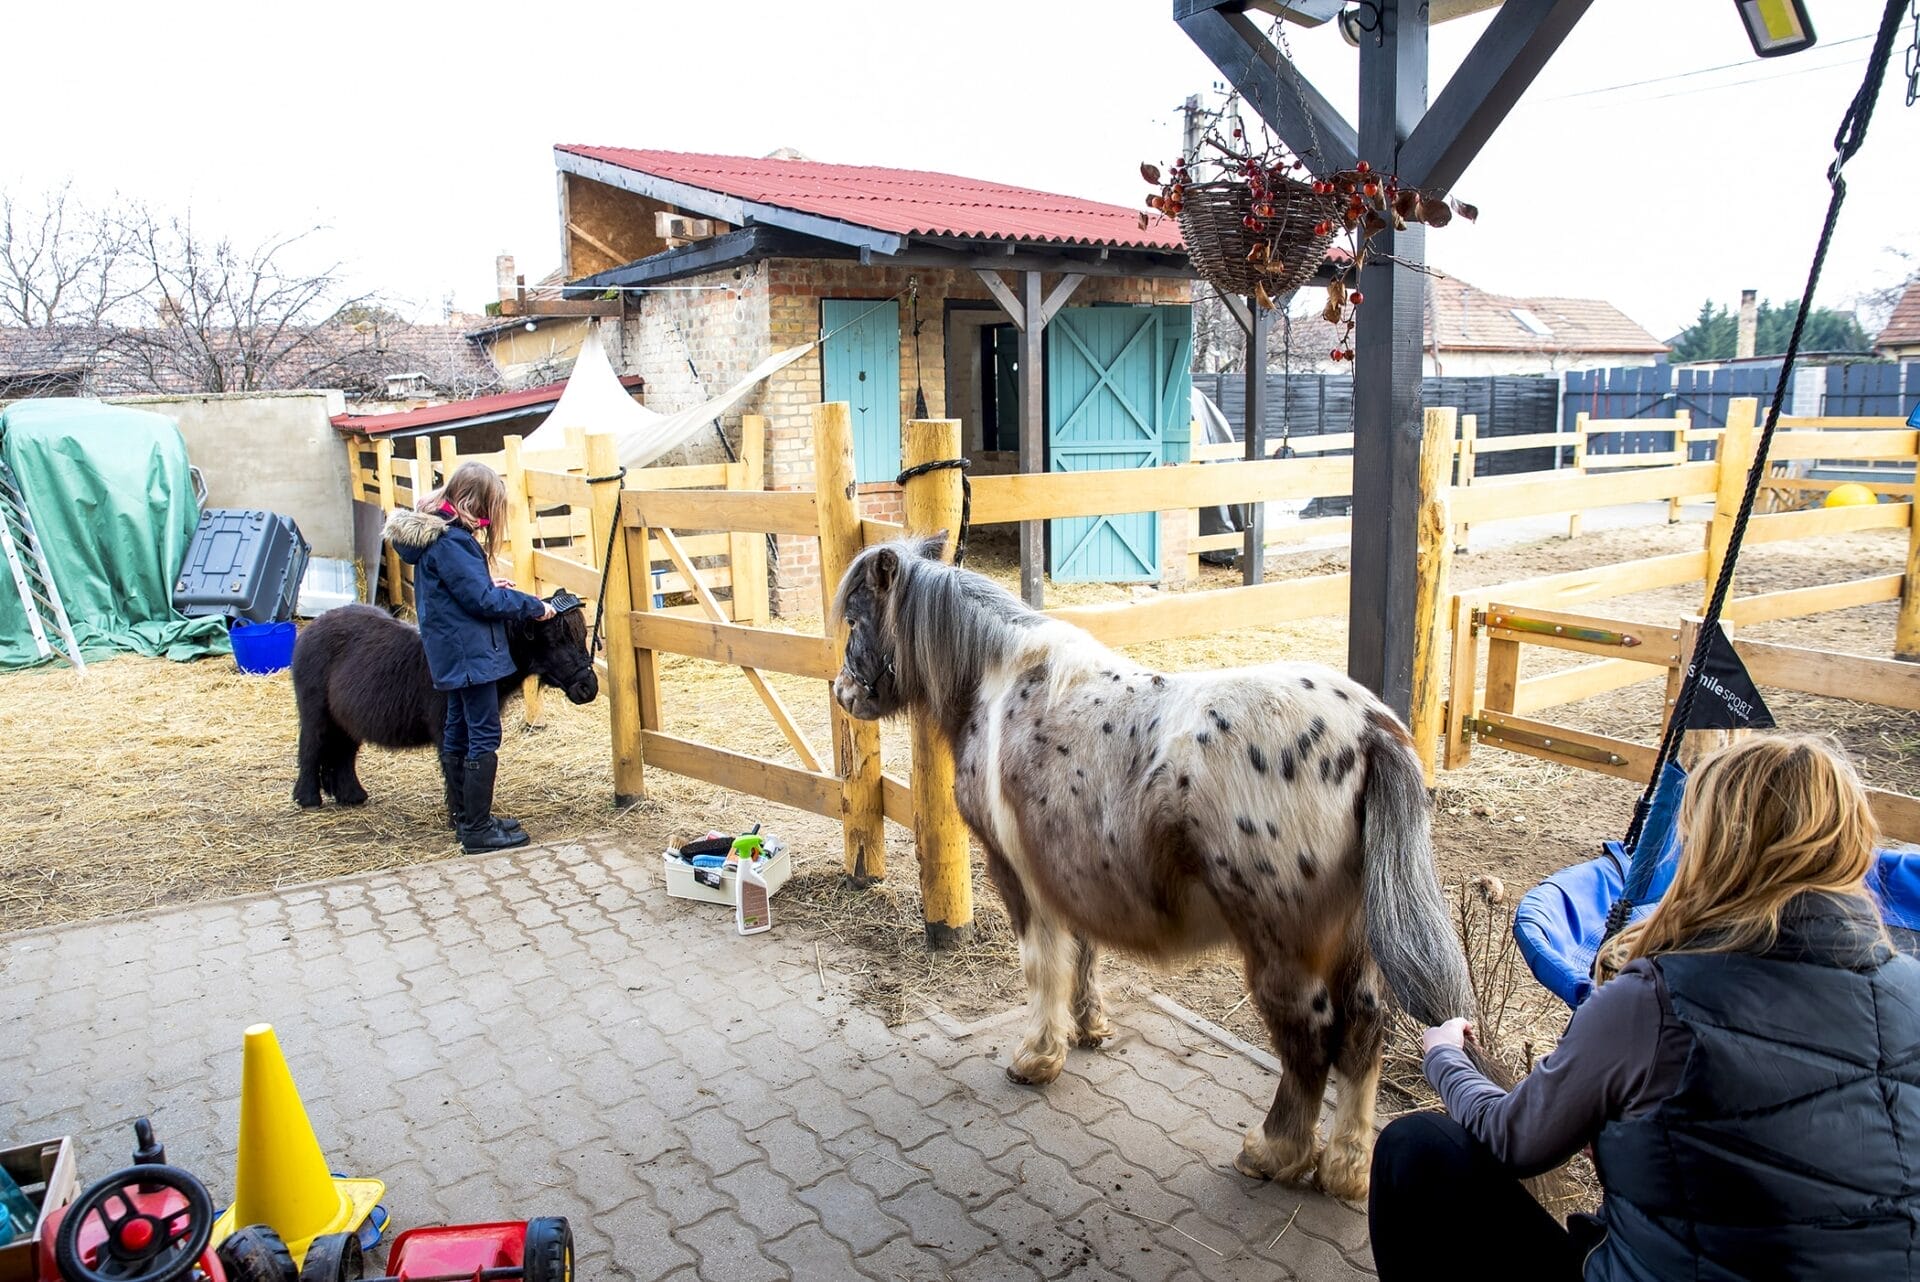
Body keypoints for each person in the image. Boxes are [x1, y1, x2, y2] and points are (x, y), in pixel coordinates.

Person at [1369, 734, 1920, 1280]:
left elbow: (1514, 1138)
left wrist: (1445, 1057)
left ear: (1711, 842)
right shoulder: (1912, 989)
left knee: (1416, 1150)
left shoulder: (1655, 1001)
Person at [387, 462, 553, 854]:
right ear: (471, 502)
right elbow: (481, 601)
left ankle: (468, 819)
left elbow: (457, 587)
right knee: (482, 733)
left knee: (459, 728)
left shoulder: (437, 536)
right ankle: (477, 829)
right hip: (469, 655)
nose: (490, 518)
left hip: (452, 651)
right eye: (489, 507)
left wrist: (485, 581)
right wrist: (532, 605)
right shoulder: (453, 542)